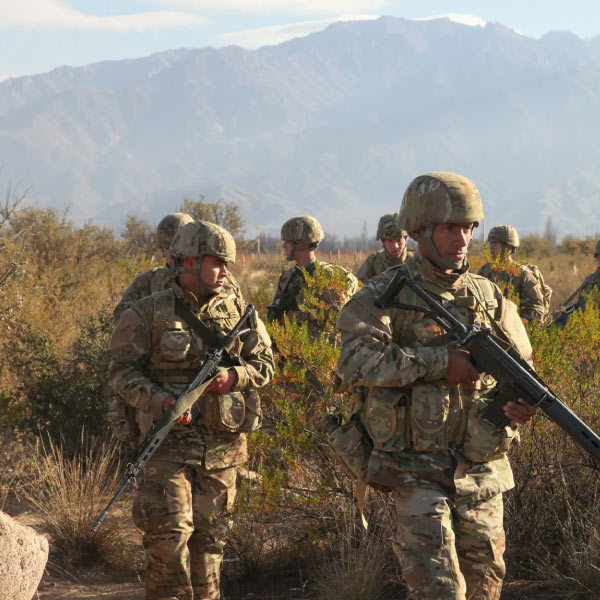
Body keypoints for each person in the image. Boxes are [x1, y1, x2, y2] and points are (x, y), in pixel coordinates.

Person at [335, 172, 536, 600]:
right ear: (418, 230)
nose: (461, 239)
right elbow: (354, 361)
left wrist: (519, 406)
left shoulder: (489, 298)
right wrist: (438, 363)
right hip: (416, 471)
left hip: (481, 471)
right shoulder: (382, 296)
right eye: (450, 227)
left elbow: (524, 368)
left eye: (468, 228)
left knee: (485, 587)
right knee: (439, 590)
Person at [108, 220, 274, 600]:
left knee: (210, 547)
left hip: (222, 450)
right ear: (188, 262)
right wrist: (161, 401)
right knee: (169, 546)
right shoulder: (148, 312)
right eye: (217, 262)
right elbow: (121, 372)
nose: (226, 271)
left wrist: (234, 377)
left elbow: (266, 364)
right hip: (167, 448)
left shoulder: (240, 312)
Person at [267, 215, 358, 333]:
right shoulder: (288, 276)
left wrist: (297, 316)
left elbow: (337, 315)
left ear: (302, 244)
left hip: (320, 347)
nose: (284, 245)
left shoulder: (327, 276)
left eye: (287, 242)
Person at [113, 212, 194, 321]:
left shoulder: (214, 282)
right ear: (163, 251)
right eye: (169, 249)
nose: (175, 255)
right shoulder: (146, 282)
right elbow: (121, 320)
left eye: (181, 249)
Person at [477, 225, 551, 322]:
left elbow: (536, 310)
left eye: (495, 243)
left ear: (508, 247)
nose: (491, 246)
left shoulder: (523, 275)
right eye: (490, 243)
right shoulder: (484, 271)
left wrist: (515, 324)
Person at [355, 212, 409, 283]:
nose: (395, 246)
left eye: (399, 240)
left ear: (405, 239)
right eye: (390, 241)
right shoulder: (373, 263)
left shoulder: (417, 264)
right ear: (383, 242)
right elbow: (357, 287)